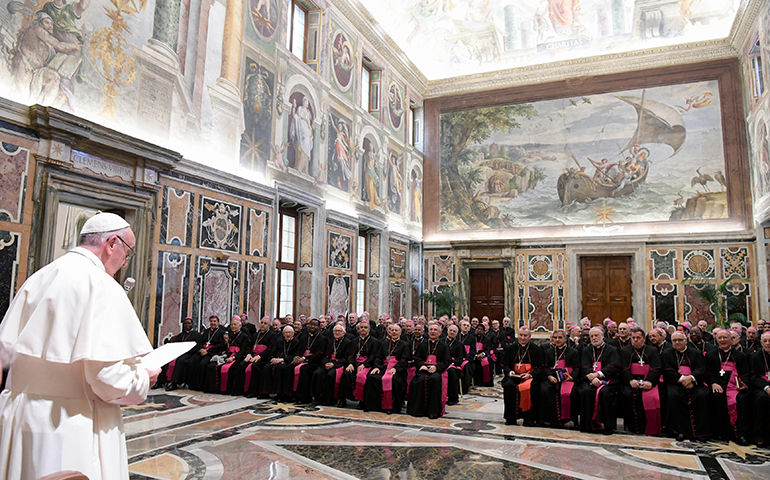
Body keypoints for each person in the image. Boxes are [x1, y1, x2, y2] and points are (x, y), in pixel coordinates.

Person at [0, 212, 160, 479]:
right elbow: (109, 381)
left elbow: (5, 352)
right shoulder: (102, 286)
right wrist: (143, 378)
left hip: (21, 418)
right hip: (72, 426)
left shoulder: (38, 278)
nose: (124, 263)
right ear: (112, 244)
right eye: (127, 252)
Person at [661, 331, 711, 440]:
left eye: (680, 340)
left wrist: (691, 379)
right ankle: (679, 431)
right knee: (674, 396)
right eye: (674, 340)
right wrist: (682, 379)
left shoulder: (696, 353)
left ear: (686, 340)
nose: (677, 342)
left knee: (702, 395)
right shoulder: (667, 354)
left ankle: (701, 432)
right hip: (676, 382)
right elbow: (667, 370)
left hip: (694, 383)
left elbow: (701, 369)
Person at [706, 329, 750, 443]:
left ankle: (739, 433)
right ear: (716, 339)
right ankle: (720, 432)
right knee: (717, 397)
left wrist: (744, 384)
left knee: (740, 399)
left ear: (731, 339)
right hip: (718, 384)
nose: (722, 340)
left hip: (734, 386)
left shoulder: (740, 356)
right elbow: (708, 373)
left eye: (725, 337)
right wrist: (713, 383)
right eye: (720, 338)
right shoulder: (711, 355)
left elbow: (745, 374)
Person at [619, 327, 663, 436]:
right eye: (633, 338)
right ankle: (632, 427)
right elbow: (622, 369)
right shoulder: (625, 351)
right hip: (631, 381)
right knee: (628, 395)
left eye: (638, 338)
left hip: (648, 382)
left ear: (644, 339)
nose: (635, 340)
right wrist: (630, 380)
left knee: (654, 397)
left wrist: (649, 382)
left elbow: (656, 368)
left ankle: (650, 427)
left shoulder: (652, 351)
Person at [578, 327, 620, 435]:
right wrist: (592, 377)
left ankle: (608, 426)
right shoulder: (587, 350)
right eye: (592, 336)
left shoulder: (612, 350)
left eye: (596, 335)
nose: (594, 338)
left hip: (608, 379)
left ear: (602, 336)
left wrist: (598, 375)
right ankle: (588, 425)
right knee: (585, 391)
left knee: (605, 393)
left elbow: (613, 367)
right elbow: (583, 366)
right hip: (590, 379)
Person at [407, 323, 451, 419]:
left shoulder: (444, 346)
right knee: (418, 380)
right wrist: (422, 365)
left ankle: (433, 411)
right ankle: (418, 410)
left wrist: (436, 368)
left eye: (435, 330)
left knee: (434, 380)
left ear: (439, 333)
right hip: (423, 369)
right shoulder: (423, 344)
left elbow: (447, 361)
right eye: (431, 330)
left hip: (437, 370)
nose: (433, 332)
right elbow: (417, 359)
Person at [502, 327, 543, 426]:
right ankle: (511, 418)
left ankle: (528, 419)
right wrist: (509, 372)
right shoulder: (511, 348)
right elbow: (505, 365)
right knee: (508, 386)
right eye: (520, 335)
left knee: (531, 388)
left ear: (529, 337)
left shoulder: (536, 349)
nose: (522, 338)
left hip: (529, 377)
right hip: (514, 376)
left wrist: (530, 375)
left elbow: (540, 368)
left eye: (525, 335)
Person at [364, 324, 410, 413]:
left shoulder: (405, 345)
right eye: (392, 330)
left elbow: (405, 360)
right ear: (389, 332)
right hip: (384, 367)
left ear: (400, 333)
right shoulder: (384, 344)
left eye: (396, 330)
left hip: (397, 369)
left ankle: (391, 407)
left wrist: (396, 368)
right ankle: (375, 406)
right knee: (372, 377)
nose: (394, 332)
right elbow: (378, 357)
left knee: (395, 380)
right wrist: (377, 367)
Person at [539, 329, 581, 427]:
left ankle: (570, 419)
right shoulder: (548, 352)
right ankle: (551, 419)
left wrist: (572, 377)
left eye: (560, 338)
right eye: (555, 338)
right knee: (545, 390)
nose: (557, 340)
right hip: (552, 377)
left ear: (565, 339)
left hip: (567, 378)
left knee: (572, 392)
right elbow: (544, 367)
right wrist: (549, 376)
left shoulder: (573, 352)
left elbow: (577, 367)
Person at [155, 317, 202, 389]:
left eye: (189, 323)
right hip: (179, 353)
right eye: (185, 324)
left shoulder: (196, 335)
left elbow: (198, 347)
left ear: (192, 324)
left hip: (190, 354)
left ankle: (174, 383)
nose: (187, 325)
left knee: (180, 361)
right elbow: (174, 345)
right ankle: (160, 382)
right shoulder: (181, 335)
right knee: (166, 360)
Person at [236, 316, 277, 397]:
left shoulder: (272, 335)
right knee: (242, 365)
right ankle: (240, 390)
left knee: (255, 367)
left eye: (265, 323)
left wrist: (260, 356)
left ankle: (253, 391)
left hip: (263, 358)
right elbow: (249, 347)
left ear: (269, 325)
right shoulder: (255, 335)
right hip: (253, 356)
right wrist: (249, 355)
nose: (263, 325)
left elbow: (270, 349)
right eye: (261, 323)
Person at [342, 321, 380, 406]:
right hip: (355, 363)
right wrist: (350, 364)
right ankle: (345, 398)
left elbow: (373, 356)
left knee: (361, 376)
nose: (363, 329)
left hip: (367, 364)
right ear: (358, 330)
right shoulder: (354, 341)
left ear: (369, 330)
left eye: (365, 327)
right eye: (361, 327)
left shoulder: (374, 341)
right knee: (346, 374)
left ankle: (361, 400)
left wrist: (364, 364)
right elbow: (350, 355)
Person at [312, 324, 351, 406]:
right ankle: (320, 398)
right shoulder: (330, 341)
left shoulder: (347, 342)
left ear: (344, 333)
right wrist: (326, 363)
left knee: (331, 375)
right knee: (318, 373)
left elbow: (346, 358)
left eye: (339, 331)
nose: (337, 332)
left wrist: (334, 364)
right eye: (335, 331)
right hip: (328, 362)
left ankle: (332, 399)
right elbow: (326, 355)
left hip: (339, 364)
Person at [748, 331, 770, 447]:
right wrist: (766, 387)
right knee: (762, 399)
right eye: (765, 341)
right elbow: (753, 377)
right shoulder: (756, 356)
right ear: (761, 342)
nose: (768, 344)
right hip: (760, 387)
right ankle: (760, 436)